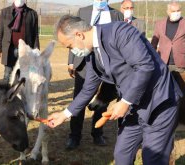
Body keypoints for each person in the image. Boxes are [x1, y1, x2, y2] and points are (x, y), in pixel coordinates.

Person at [48, 15, 182, 165]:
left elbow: (145, 66)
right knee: (122, 154)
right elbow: (88, 89)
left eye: (70, 46)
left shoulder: (120, 32)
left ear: (79, 35)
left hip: (159, 103)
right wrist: (64, 114)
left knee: (152, 158)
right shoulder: (92, 55)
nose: (72, 52)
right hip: (134, 107)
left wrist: (125, 102)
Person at [66, 0, 124, 150]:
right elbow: (73, 36)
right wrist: (71, 61)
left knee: (102, 100)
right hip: (84, 63)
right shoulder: (82, 11)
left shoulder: (116, 14)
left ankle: (97, 133)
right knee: (80, 97)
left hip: (107, 65)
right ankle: (74, 136)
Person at [0, 0, 39, 83]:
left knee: (24, 75)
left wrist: (36, 51)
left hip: (25, 50)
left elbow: (35, 35)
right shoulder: (5, 12)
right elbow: (0, 31)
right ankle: (7, 94)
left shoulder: (32, 13)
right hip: (9, 49)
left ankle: (21, 94)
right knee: (7, 75)